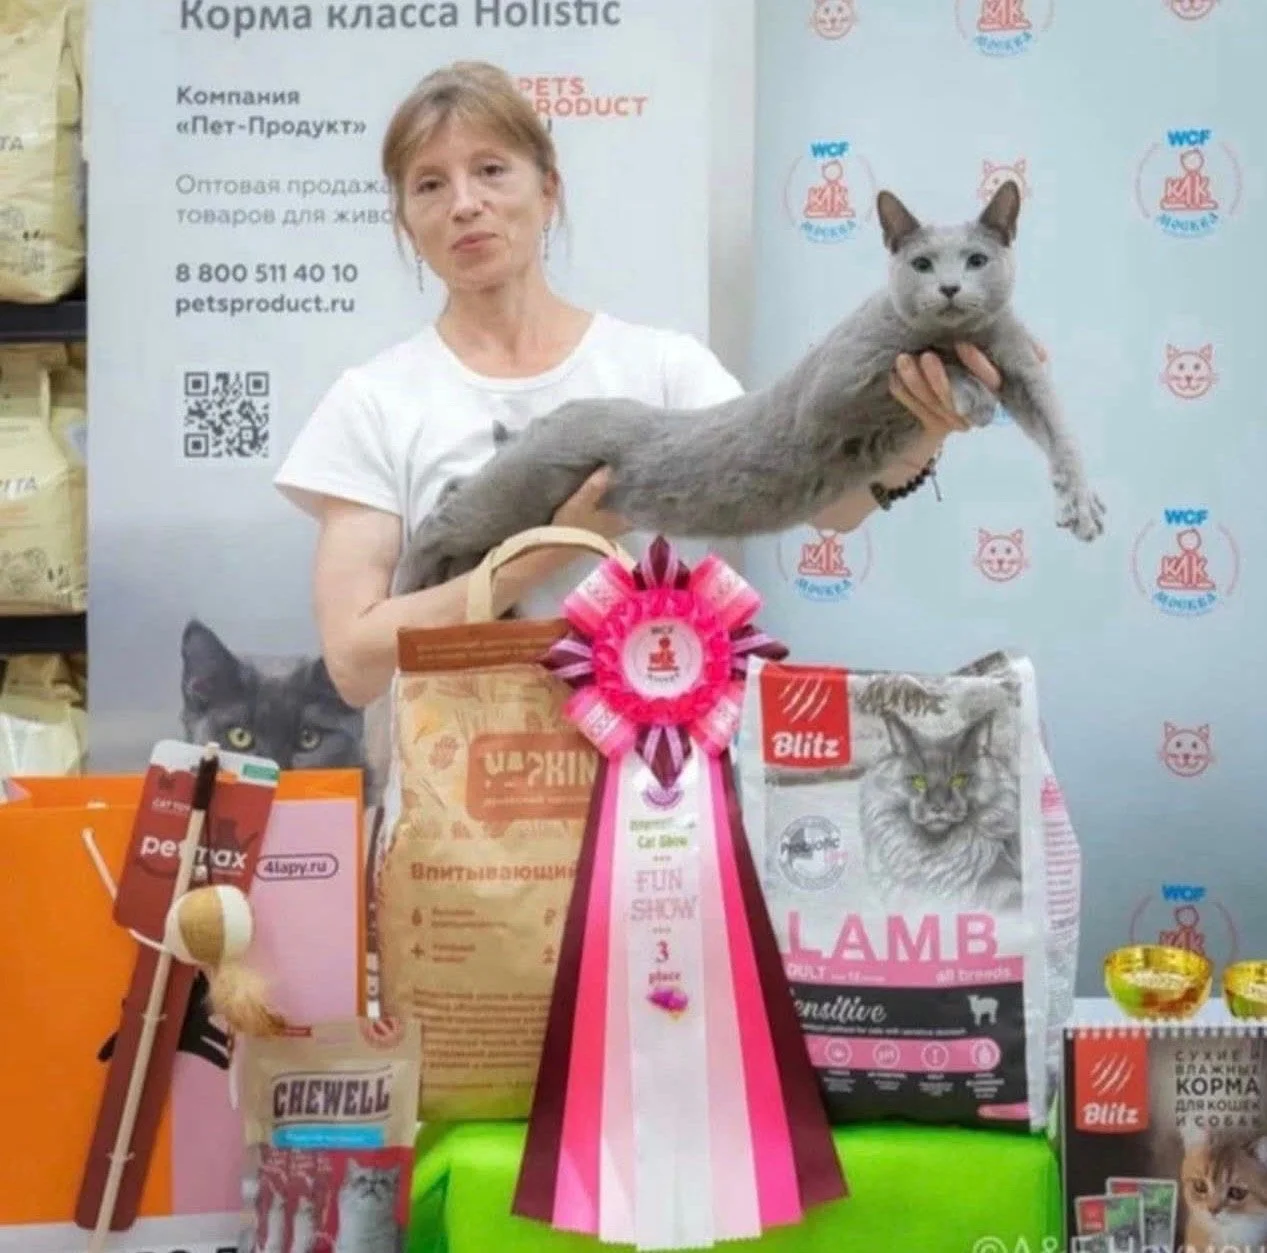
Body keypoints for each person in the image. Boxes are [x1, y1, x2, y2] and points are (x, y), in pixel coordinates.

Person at [273, 60, 1008, 713]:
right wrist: (550, 549)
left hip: (651, 826)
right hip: (462, 832)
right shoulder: (371, 402)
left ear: (548, 188)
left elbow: (825, 504)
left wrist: (921, 431)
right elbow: (355, 663)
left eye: (491, 170)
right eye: (430, 184)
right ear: (405, 220)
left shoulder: (659, 367)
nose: (465, 202)